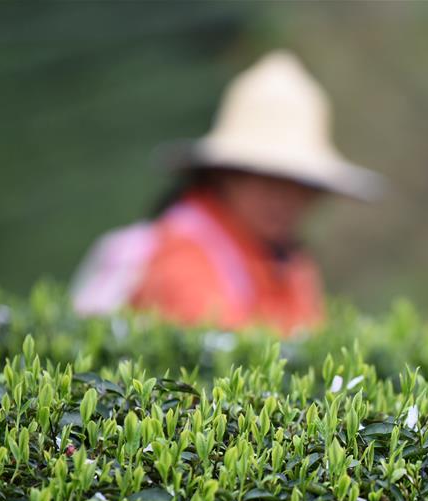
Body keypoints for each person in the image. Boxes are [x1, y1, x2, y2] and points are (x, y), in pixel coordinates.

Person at [70, 50, 381, 335]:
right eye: (266, 179)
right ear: (226, 175)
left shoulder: (290, 264)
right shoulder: (183, 253)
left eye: (299, 185)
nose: (283, 199)